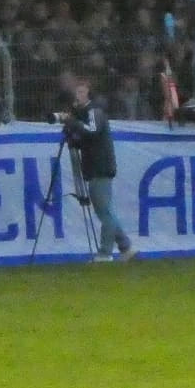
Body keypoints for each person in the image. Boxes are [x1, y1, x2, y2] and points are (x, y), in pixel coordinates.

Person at [61, 78, 138, 263]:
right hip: (95, 166)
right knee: (105, 210)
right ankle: (126, 247)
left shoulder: (94, 111)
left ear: (88, 92)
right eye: (76, 92)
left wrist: (72, 122)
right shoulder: (85, 114)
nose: (77, 95)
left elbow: (92, 131)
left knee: (105, 212)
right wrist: (73, 134)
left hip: (100, 167)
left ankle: (105, 252)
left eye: (81, 91)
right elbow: (86, 139)